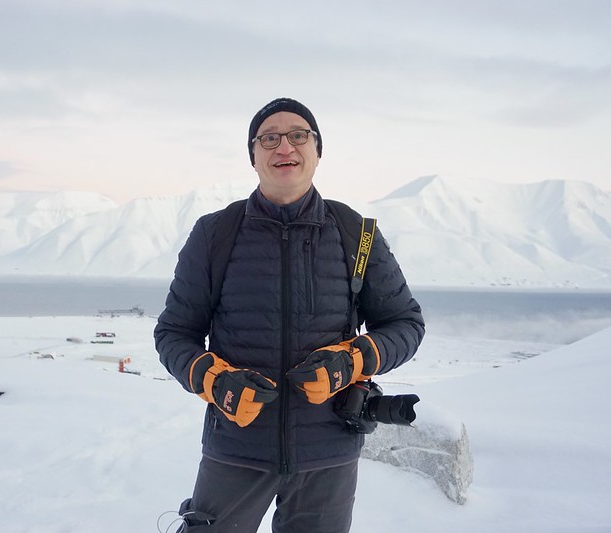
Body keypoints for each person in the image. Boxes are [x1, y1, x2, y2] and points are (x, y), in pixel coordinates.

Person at [154, 97, 425, 532]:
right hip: (236, 449)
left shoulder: (356, 233)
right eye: (270, 138)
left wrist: (354, 361)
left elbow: (405, 324)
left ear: (317, 151)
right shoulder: (215, 234)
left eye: (299, 136)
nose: (285, 147)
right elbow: (173, 333)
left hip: (329, 454)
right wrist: (213, 381)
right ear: (254, 155)